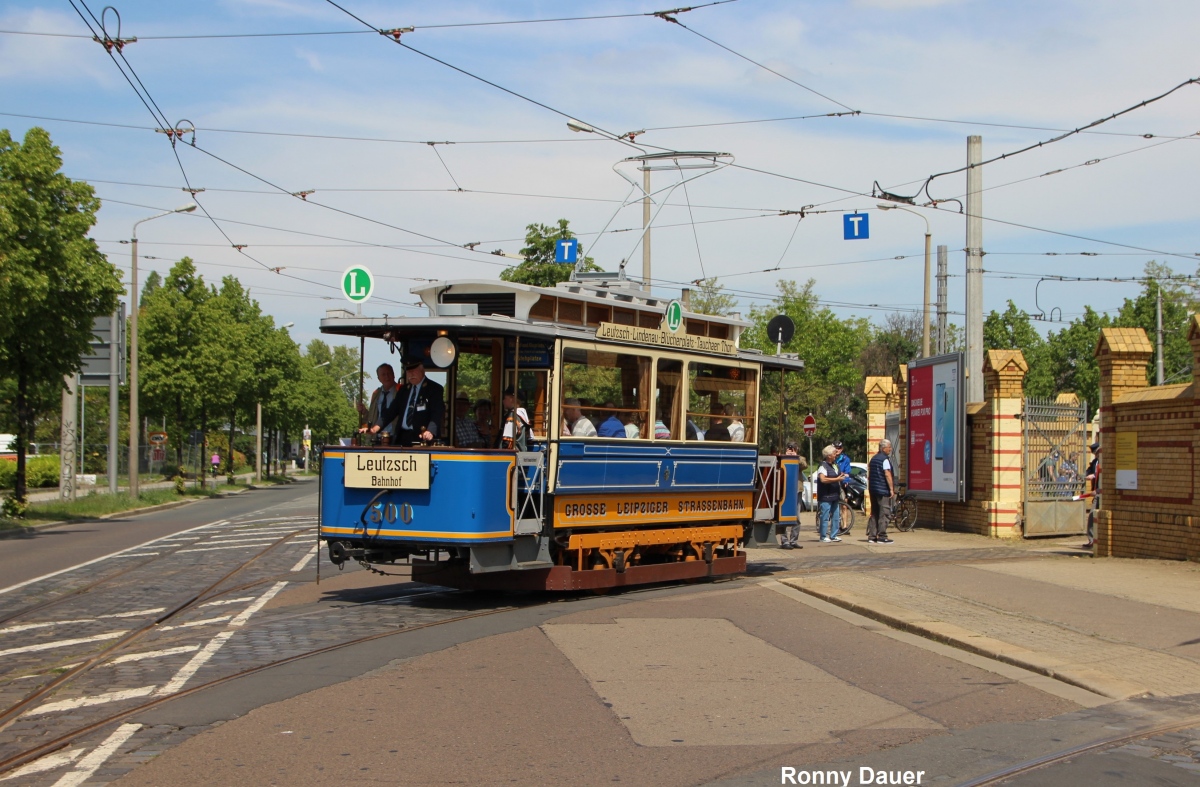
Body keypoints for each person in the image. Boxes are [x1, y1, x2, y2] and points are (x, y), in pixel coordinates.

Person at [367, 358, 445, 445]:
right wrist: (374, 429)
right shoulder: (404, 390)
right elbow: (390, 412)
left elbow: (437, 413)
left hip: (422, 438)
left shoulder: (434, 389)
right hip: (403, 438)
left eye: (414, 371)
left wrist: (430, 431)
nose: (411, 375)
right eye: (409, 372)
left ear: (422, 371)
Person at [359, 363, 400, 443]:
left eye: (389, 373)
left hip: (395, 437)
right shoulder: (376, 394)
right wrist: (364, 412)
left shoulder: (401, 391)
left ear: (394, 375)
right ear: (379, 378)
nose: (387, 377)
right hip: (377, 437)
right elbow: (372, 417)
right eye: (383, 374)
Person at [866, 439, 896, 544]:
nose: (890, 449)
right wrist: (891, 489)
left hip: (873, 489)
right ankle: (882, 536)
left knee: (874, 512)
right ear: (883, 448)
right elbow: (887, 474)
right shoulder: (885, 460)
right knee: (884, 513)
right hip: (883, 490)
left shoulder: (873, 458)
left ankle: (872, 536)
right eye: (889, 447)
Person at [816, 445, 846, 543]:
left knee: (836, 516)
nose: (836, 455)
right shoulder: (822, 466)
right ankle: (823, 536)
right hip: (825, 495)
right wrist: (837, 479)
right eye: (834, 453)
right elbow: (823, 479)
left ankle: (834, 535)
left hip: (835, 495)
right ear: (828, 455)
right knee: (825, 517)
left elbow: (837, 475)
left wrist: (842, 476)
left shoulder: (835, 465)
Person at [779, 443, 802, 550]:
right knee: (783, 517)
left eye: (793, 449)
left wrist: (795, 456)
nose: (790, 450)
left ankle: (794, 540)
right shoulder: (781, 458)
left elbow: (804, 465)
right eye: (789, 449)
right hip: (784, 491)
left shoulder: (800, 459)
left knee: (797, 518)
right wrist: (785, 455)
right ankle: (784, 541)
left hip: (796, 491)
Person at [1083, 442, 1100, 548]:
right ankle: (1091, 540)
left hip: (1101, 493)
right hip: (1096, 493)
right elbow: (1089, 470)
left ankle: (1097, 540)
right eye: (1095, 453)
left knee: (1094, 515)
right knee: (1092, 516)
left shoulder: (1105, 461)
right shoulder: (1095, 462)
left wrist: (1098, 490)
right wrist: (1086, 475)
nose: (1096, 455)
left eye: (1097, 453)